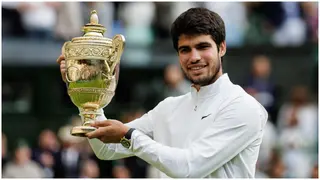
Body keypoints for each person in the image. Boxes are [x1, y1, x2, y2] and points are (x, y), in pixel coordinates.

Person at [57, 7, 268, 178]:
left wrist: (128, 136)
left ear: (221, 48)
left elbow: (189, 168)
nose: (194, 57)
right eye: (185, 49)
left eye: (202, 47)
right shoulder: (169, 108)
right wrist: (85, 91)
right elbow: (106, 150)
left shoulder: (244, 107)